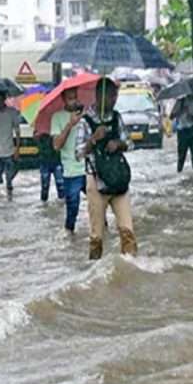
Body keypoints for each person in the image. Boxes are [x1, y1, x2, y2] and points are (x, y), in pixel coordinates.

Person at [76, 77, 137, 260]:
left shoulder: (117, 117)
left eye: (115, 95)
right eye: (111, 96)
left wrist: (119, 143)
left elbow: (131, 144)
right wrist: (93, 139)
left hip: (118, 180)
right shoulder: (85, 121)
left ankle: (130, 267)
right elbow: (78, 153)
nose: (114, 100)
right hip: (96, 181)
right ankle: (94, 270)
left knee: (127, 230)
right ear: (99, 96)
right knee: (97, 234)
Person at [51, 87, 86, 233]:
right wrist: (70, 124)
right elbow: (57, 145)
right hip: (71, 172)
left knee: (99, 207)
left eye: (75, 97)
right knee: (72, 211)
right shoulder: (57, 117)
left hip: (90, 168)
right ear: (64, 100)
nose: (73, 101)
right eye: (70, 98)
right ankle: (69, 236)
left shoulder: (86, 115)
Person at [0, 90, 21, 199]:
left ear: (4, 99)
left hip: (9, 151)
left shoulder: (12, 112)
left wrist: (17, 149)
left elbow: (17, 131)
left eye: (0, 99)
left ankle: (9, 198)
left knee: (9, 179)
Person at [171, 94, 193, 173]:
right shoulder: (180, 102)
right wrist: (179, 111)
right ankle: (179, 170)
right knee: (181, 154)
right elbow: (171, 116)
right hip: (182, 131)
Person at [36, 130, 64, 203]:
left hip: (57, 161)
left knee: (61, 186)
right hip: (45, 161)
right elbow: (38, 144)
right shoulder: (40, 132)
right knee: (45, 187)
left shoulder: (58, 129)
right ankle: (44, 204)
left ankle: (62, 204)